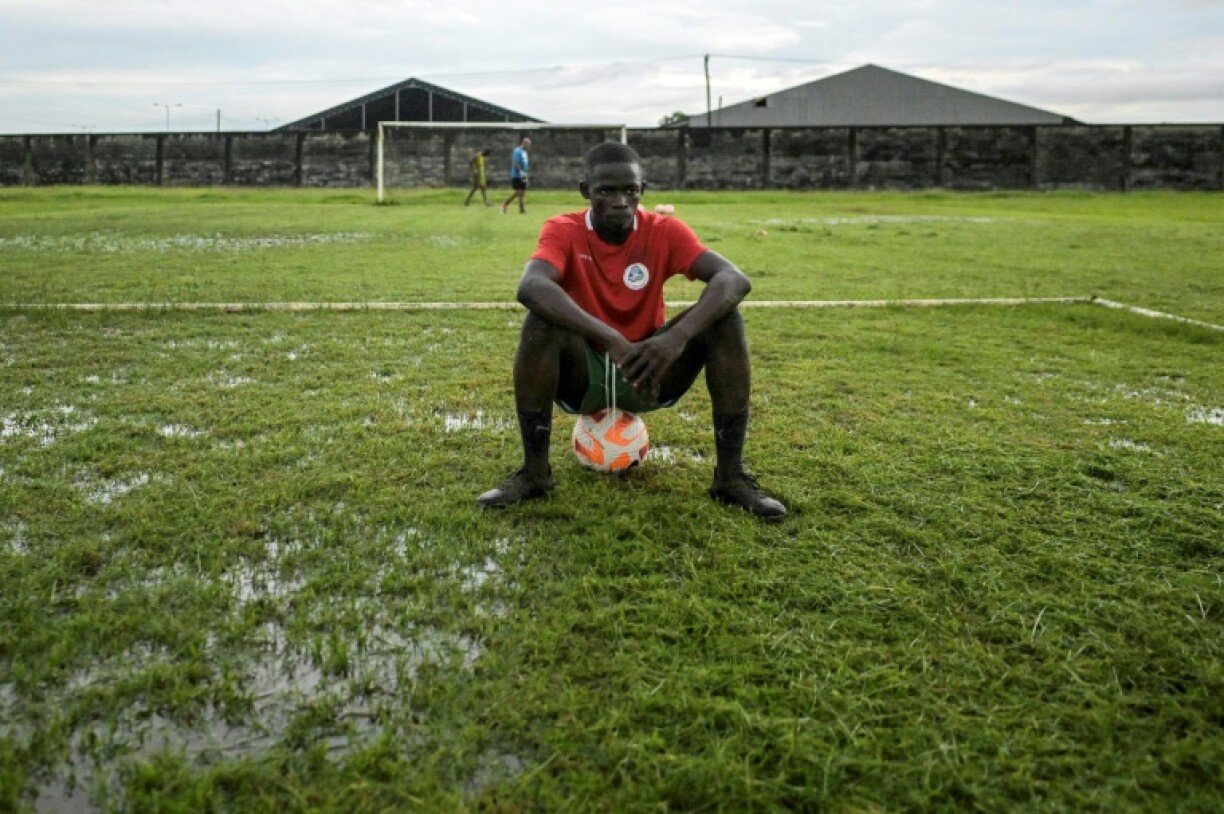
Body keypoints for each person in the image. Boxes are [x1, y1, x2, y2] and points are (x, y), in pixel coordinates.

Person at [478, 141, 786, 520]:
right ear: (585, 191)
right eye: (607, 190)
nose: (621, 201)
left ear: (643, 191)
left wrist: (675, 338)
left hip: (649, 370)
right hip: (584, 374)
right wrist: (612, 340)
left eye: (631, 190)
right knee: (540, 319)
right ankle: (534, 474)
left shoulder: (664, 231)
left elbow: (733, 279)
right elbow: (531, 286)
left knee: (725, 319)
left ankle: (730, 478)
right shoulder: (564, 229)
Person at [501, 137, 531, 214]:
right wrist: (520, 171)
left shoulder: (525, 152)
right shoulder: (517, 151)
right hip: (517, 175)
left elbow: (525, 164)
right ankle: (505, 204)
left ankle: (522, 209)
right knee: (518, 192)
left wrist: (526, 174)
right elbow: (516, 162)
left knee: (523, 192)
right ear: (524, 143)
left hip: (524, 174)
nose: (528, 146)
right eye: (528, 144)